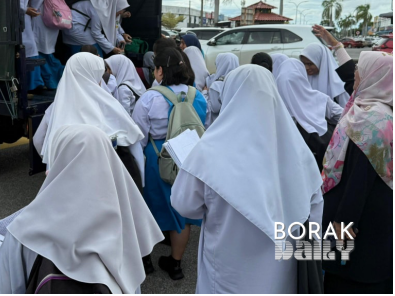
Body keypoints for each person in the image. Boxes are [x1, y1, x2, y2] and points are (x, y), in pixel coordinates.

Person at [170, 65, 324, 293]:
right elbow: (314, 214)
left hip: (228, 268)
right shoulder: (299, 151)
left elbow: (184, 205)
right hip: (283, 271)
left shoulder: (208, 151)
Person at [0, 125, 164, 294]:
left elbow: (4, 287)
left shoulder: (24, 231)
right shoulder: (125, 228)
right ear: (111, 163)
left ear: (57, 165)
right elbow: (132, 285)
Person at [131, 48, 207, 280]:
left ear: (160, 70)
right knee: (181, 215)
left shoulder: (150, 98)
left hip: (159, 158)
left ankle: (146, 261)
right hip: (189, 158)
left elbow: (139, 136)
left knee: (149, 210)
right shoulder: (199, 96)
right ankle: (175, 264)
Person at [321, 51, 393, 294]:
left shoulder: (373, 121)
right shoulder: (369, 109)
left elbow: (359, 181)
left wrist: (342, 223)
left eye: (359, 69)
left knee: (354, 279)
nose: (355, 73)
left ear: (374, 76)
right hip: (371, 216)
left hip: (360, 224)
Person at [33, 52, 145, 188]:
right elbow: (134, 146)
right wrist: (142, 183)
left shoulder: (56, 108)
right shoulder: (109, 105)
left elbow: (38, 140)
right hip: (109, 186)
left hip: (68, 186)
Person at [275, 58, 343, 169]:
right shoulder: (319, 98)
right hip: (321, 160)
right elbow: (343, 116)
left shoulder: (274, 104)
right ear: (302, 78)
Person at [31, 0, 65, 89]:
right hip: (52, 23)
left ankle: (51, 83)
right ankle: (58, 79)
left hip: (40, 22)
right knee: (48, 54)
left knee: (39, 54)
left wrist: (28, 10)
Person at [64, 0, 129, 57]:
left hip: (82, 25)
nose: (121, 13)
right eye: (120, 10)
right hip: (75, 24)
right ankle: (98, 65)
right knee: (94, 48)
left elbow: (115, 27)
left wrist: (120, 39)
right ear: (115, 6)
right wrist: (112, 48)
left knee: (88, 48)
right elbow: (96, 33)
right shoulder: (100, 11)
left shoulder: (110, 9)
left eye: (123, 10)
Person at [16, 0, 44, 91]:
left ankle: (34, 84)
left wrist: (32, 8)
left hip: (25, 16)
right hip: (13, 17)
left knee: (31, 47)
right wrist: (25, 9)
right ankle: (26, 85)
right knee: (24, 46)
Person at [299, 42, 350, 107]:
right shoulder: (304, 80)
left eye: (310, 64)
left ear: (321, 61)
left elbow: (346, 111)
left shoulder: (338, 85)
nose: (306, 68)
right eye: (303, 63)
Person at [205, 53, 239, 123]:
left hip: (219, 123)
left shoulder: (216, 85)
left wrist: (205, 93)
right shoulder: (239, 83)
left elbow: (214, 108)